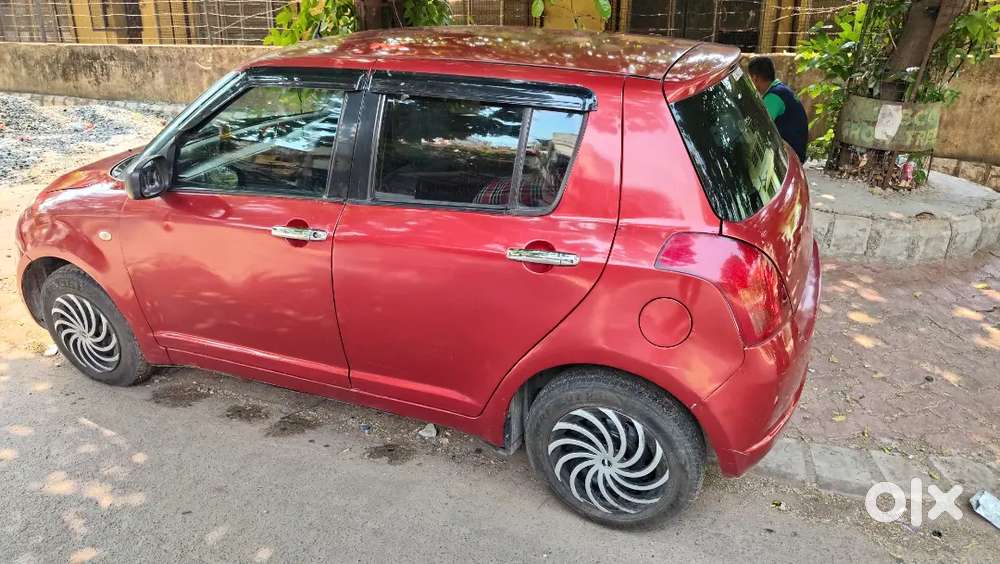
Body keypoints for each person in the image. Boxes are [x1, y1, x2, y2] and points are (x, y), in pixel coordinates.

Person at [747, 56, 809, 163]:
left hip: (791, 157)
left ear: (755, 78)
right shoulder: (781, 90)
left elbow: (758, 127)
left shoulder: (774, 97)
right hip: (796, 151)